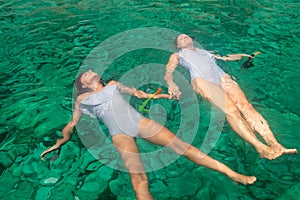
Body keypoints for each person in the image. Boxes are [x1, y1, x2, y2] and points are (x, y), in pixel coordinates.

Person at [41, 70, 257, 200]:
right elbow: (71, 125)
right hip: (119, 135)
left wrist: (165, 96)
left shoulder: (115, 85)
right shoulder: (82, 100)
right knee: (139, 178)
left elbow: (142, 95)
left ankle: (232, 174)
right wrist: (60, 142)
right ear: (82, 85)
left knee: (185, 148)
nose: (89, 71)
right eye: (85, 73)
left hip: (141, 122)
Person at [164, 34, 297, 160]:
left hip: (222, 77)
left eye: (186, 36)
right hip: (202, 81)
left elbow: (225, 58)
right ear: (178, 46)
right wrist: (171, 83)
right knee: (231, 110)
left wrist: (242, 56)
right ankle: (261, 147)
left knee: (247, 107)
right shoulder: (178, 55)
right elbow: (169, 70)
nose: (184, 37)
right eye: (180, 38)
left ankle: (275, 144)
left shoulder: (205, 52)